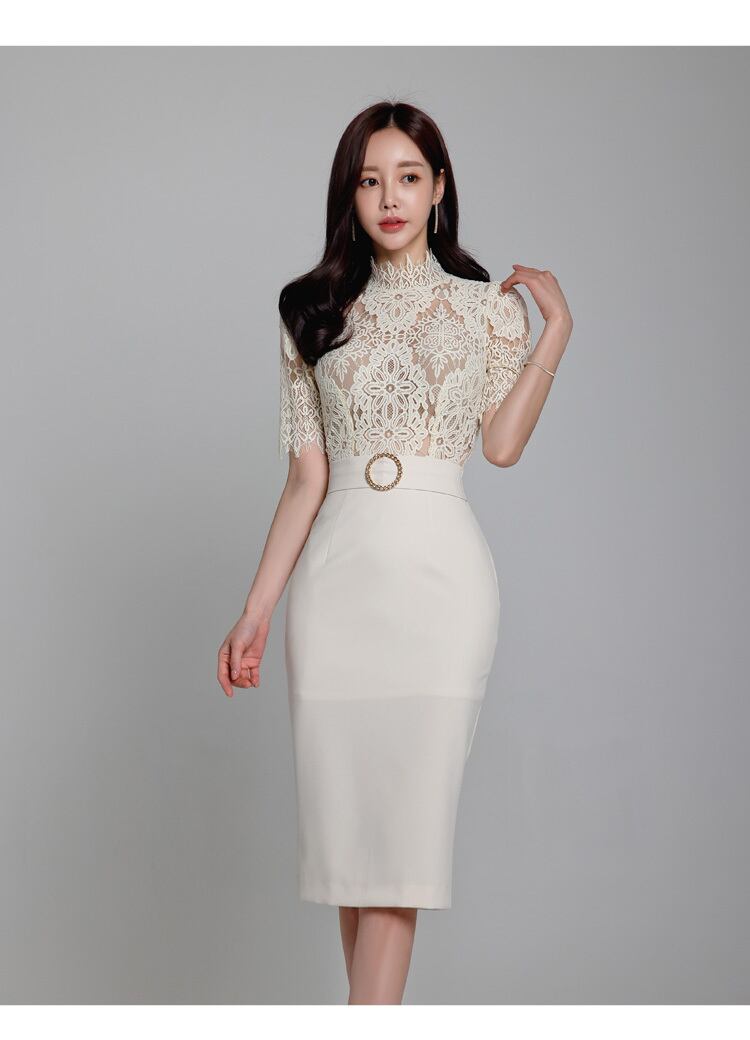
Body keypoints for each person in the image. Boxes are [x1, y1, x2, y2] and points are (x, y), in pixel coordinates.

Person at [217, 100, 573, 1004]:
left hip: (440, 588)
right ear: (350, 194)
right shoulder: (311, 311)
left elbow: (501, 446)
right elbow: (305, 479)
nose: (390, 198)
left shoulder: (486, 310)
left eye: (408, 177)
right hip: (337, 589)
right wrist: (254, 613)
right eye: (370, 180)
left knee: (400, 853)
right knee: (353, 857)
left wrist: (555, 334)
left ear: (439, 188)